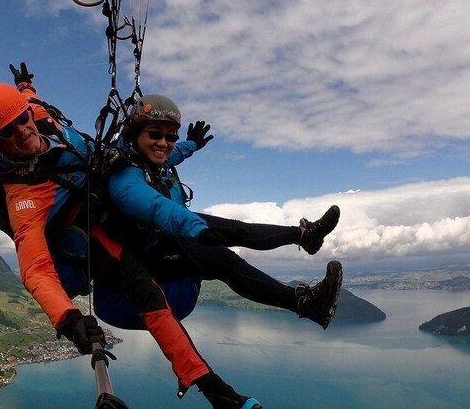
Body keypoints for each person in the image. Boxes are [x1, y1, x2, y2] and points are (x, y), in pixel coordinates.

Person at [0, 66, 261, 409]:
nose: (23, 132)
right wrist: (68, 319)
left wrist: (25, 85)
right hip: (94, 228)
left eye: (22, 120)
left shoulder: (36, 114)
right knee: (146, 291)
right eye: (8, 132)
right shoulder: (23, 198)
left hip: (109, 190)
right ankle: (217, 392)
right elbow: (35, 268)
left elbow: (29, 100)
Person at [105, 94, 344, 331]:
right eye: (155, 134)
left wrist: (192, 144)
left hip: (164, 237)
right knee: (223, 260)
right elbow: (160, 208)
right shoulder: (124, 180)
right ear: (135, 133)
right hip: (143, 261)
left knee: (234, 227)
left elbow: (172, 154)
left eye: (171, 136)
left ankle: (304, 235)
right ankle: (306, 304)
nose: (163, 143)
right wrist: (199, 231)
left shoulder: (145, 158)